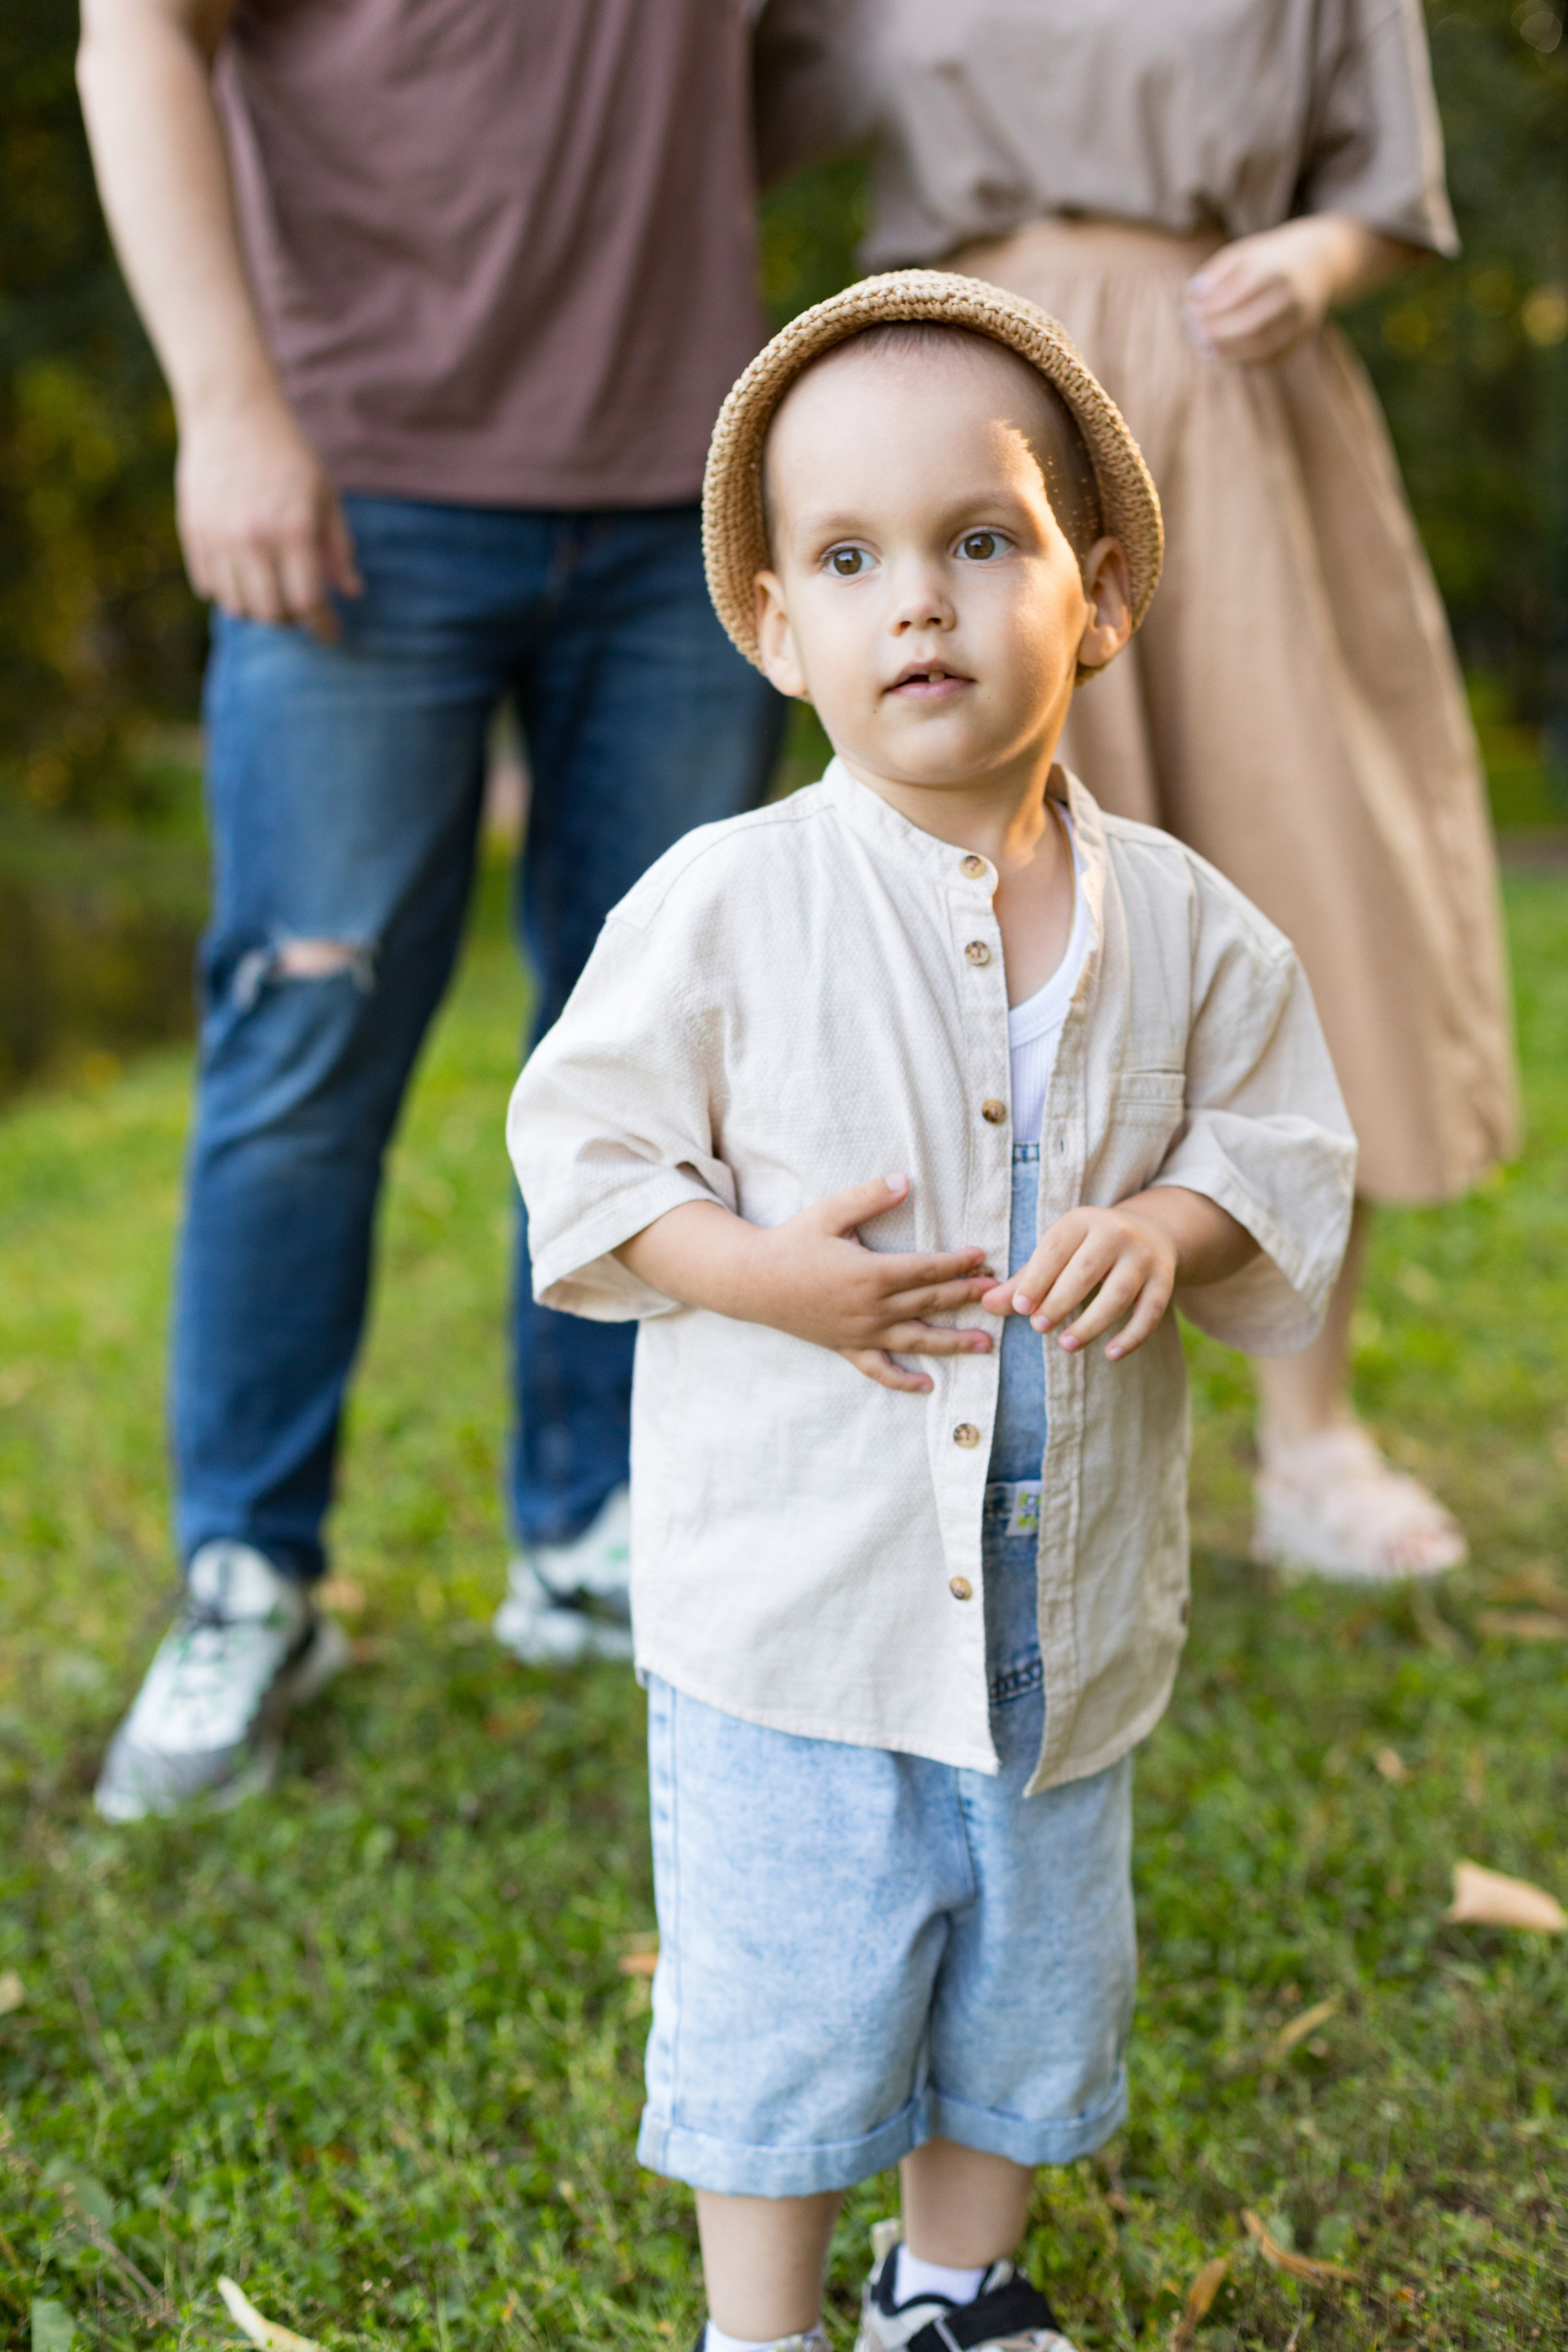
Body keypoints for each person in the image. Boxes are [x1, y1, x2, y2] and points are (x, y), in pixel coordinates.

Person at [510, 273, 1355, 2352]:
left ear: (1102, 591)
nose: (919, 604)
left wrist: (1174, 1223)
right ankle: (763, 2325)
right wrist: (765, 1277)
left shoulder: (1189, 922)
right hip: (800, 1615)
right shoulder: (725, 903)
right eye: (849, 561)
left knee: (1027, 1981)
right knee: (796, 1993)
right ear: (774, 626)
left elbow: (1284, 1140)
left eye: (981, 542)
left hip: (1061, 1611)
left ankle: (954, 2285)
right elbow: (589, 1157)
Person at [77, 0, 783, 1822]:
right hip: (353, 485)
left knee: (662, 1051)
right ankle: (250, 1578)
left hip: (684, 498)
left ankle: (596, 1531)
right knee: (305, 1037)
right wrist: (227, 410)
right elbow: (134, 36)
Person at [755, 0, 1518, 1584]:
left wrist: (1313, 261)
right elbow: (721, 116)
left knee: (1299, 885)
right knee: (969, 931)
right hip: (953, 421)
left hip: (1223, 403)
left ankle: (1311, 1436)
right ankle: (965, 1433)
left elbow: (1386, 191)